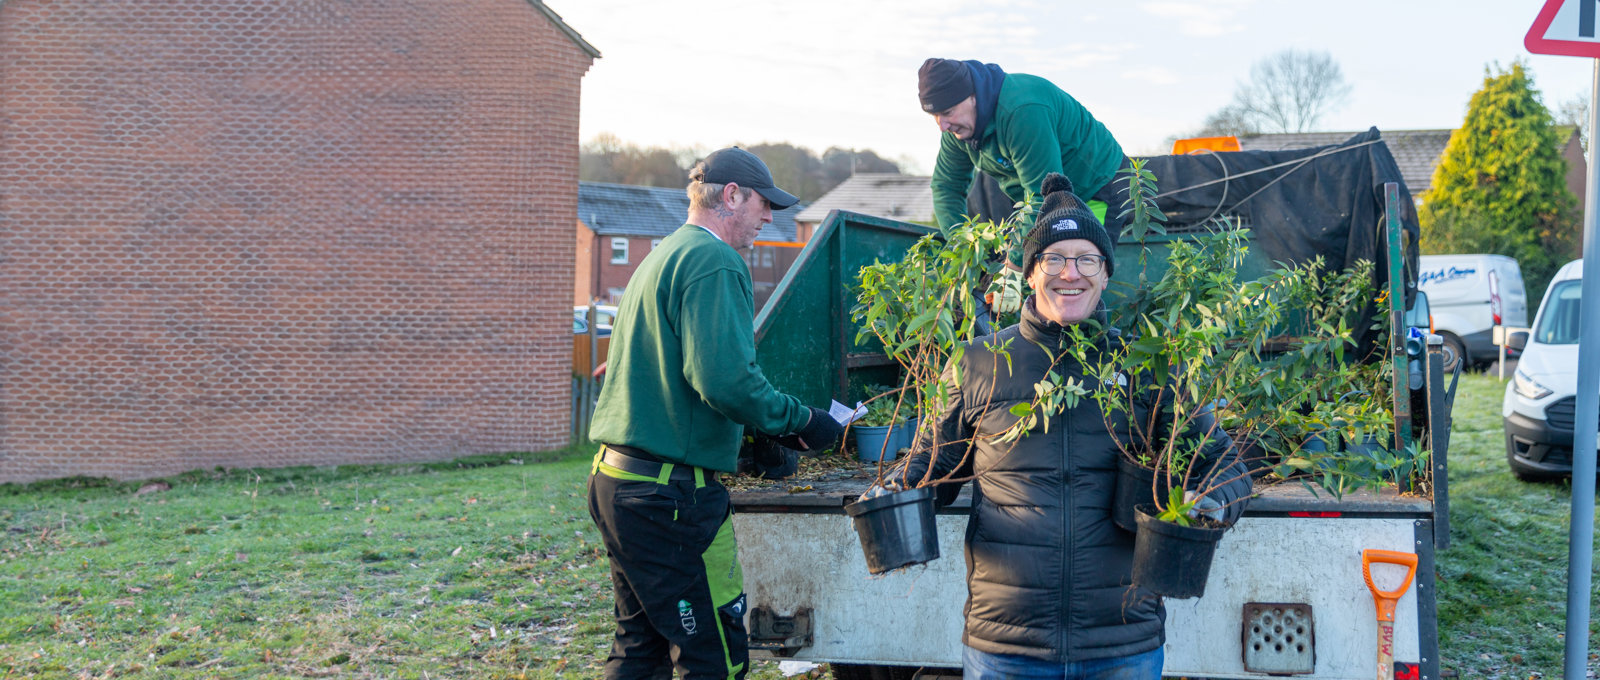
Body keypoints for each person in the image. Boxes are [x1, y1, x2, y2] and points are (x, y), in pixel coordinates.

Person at [889, 173, 1251, 679]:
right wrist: (894, 491)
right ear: (1030, 274)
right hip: (1006, 645)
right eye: (1054, 258)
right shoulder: (977, 362)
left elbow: (1225, 464)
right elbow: (934, 468)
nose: (1070, 273)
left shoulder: (1150, 365)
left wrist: (1207, 504)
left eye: (1086, 259)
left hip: (1122, 640)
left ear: (1105, 274)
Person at [586, 147, 846, 680]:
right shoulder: (715, 260)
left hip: (617, 481)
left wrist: (749, 438)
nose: (770, 217)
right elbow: (724, 380)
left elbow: (670, 372)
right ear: (731, 196)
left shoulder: (664, 254)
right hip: (671, 499)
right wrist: (800, 422)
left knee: (641, 648)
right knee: (714, 657)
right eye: (764, 204)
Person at [918, 57, 1131, 314]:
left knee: (1080, 274)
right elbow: (945, 186)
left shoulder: (1023, 109)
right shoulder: (957, 132)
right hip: (1037, 196)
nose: (942, 125)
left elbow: (1042, 195)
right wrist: (964, 249)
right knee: (1043, 275)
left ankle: (1088, 347)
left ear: (973, 96)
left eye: (948, 112)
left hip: (1096, 185)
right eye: (935, 116)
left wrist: (1013, 268)